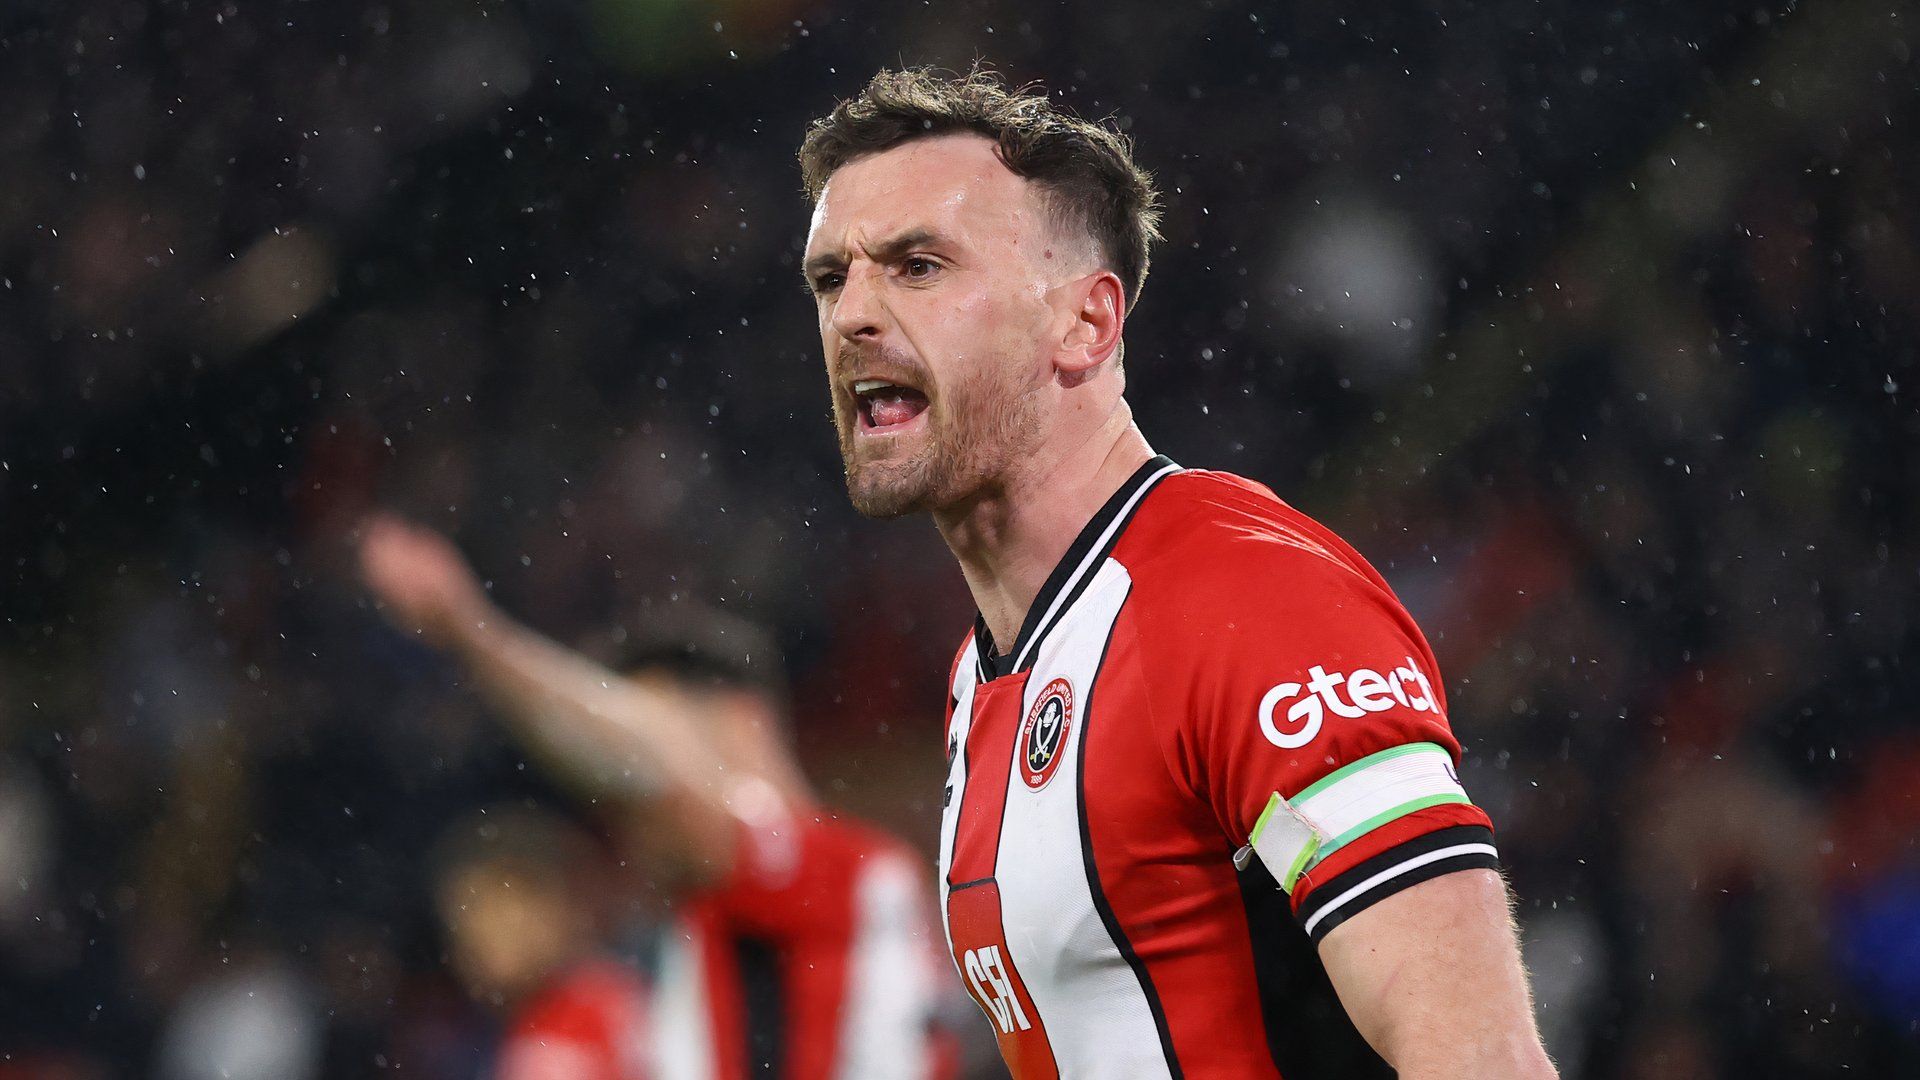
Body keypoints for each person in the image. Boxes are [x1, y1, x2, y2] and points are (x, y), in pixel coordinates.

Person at [794, 67, 1558, 1078]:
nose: (853, 313)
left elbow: (1483, 1059)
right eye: (831, 278)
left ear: (1088, 324)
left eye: (918, 265)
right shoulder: (983, 677)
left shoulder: (1246, 597)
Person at [357, 518, 955, 1080]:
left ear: (740, 719)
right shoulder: (801, 891)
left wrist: (472, 629)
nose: (628, 795)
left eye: (645, 732)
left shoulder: (821, 868)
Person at [428, 805, 652, 1080]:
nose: (489, 937)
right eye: (470, 916)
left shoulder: (580, 1019)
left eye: (505, 912)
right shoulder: (492, 1029)